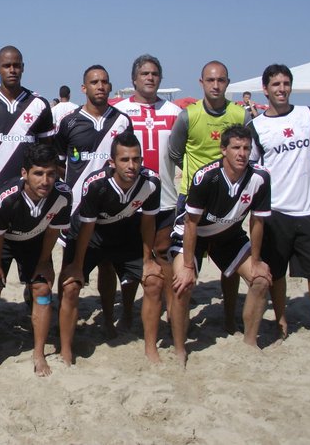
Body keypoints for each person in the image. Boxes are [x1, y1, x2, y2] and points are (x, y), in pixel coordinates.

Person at [248, 64, 310, 353]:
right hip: (275, 212)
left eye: (286, 83)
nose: (281, 89)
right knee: (276, 274)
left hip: (307, 211)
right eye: (275, 84)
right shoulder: (257, 127)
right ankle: (280, 322)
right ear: (265, 89)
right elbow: (253, 171)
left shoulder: (308, 115)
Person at [171, 125, 272, 364]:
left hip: (229, 234)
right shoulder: (206, 177)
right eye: (236, 148)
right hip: (193, 234)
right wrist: (188, 266)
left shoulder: (260, 177)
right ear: (223, 150)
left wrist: (256, 260)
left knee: (261, 279)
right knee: (183, 284)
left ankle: (250, 342)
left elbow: (257, 221)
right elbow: (191, 223)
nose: (242, 153)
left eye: (246, 148)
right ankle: (179, 348)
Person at [61, 133, 161, 363]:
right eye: (124, 160)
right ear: (112, 162)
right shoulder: (96, 184)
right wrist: (77, 266)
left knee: (154, 281)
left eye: (136, 159)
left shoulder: (151, 182)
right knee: (70, 286)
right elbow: (87, 227)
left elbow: (148, 222)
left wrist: (148, 260)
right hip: (90, 234)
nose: (131, 165)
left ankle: (151, 348)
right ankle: (65, 349)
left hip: (124, 232)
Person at [168, 61, 249, 333]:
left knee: (230, 261)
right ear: (201, 82)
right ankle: (180, 326)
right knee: (187, 265)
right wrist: (198, 179)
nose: (216, 85)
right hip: (191, 199)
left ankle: (229, 318)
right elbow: (175, 152)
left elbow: (250, 151)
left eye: (221, 80)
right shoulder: (188, 116)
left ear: (228, 83)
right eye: (210, 80)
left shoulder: (240, 115)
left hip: (229, 200)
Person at [0, 144, 71, 380]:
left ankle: (38, 353)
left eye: (51, 174)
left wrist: (44, 262)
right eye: (38, 173)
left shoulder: (63, 196)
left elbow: (53, 231)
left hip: (34, 241)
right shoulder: (6, 198)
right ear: (24, 173)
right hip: (1, 242)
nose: (45, 181)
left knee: (43, 290)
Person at [55, 65, 133, 336]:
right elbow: (59, 165)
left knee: (107, 265)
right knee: (69, 268)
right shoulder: (69, 122)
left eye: (104, 82)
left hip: (110, 210)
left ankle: (108, 318)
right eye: (94, 82)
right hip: (76, 209)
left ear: (110, 86)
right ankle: (63, 323)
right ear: (83, 87)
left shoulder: (122, 121)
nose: (100, 86)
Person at [0, 45, 54, 262]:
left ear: (23, 68)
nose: (12, 70)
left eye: (16, 65)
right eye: (7, 65)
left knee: (35, 275)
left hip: (30, 197)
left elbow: (47, 153)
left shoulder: (39, 104)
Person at [114, 55, 182, 323]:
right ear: (134, 79)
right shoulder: (120, 112)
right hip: (129, 200)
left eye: (154, 73)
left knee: (163, 253)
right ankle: (128, 311)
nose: (150, 78)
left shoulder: (174, 112)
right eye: (144, 73)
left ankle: (169, 309)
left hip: (165, 198)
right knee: (131, 257)